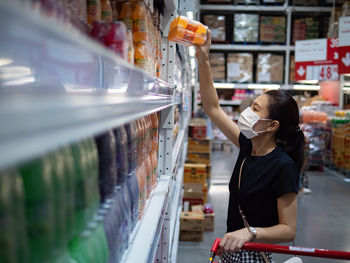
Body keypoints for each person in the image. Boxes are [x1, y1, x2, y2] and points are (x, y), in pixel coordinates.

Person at [195, 31, 305, 263]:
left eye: (255, 109)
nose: (247, 112)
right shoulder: (247, 145)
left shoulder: (282, 166)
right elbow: (213, 108)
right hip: (231, 250)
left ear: (272, 125)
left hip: (254, 254)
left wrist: (250, 232)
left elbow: (288, 229)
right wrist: (203, 59)